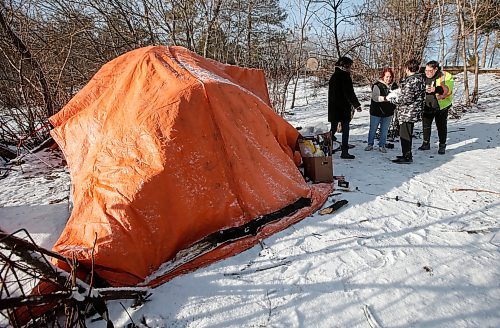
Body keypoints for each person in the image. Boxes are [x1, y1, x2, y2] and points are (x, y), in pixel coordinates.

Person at [389, 59, 425, 164]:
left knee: (405, 134)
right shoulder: (420, 79)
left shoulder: (411, 81)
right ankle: (406, 153)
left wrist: (393, 99)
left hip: (407, 112)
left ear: (407, 68)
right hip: (413, 111)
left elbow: (407, 99)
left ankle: (407, 156)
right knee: (406, 133)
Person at [328, 56, 362, 159]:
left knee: (333, 129)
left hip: (333, 107)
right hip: (343, 108)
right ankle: (344, 151)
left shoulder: (334, 76)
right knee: (345, 130)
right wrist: (357, 105)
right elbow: (349, 93)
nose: (350, 68)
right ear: (345, 66)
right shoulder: (345, 76)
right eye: (349, 66)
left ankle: (326, 148)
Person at [418, 60, 454, 154]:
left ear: (436, 69)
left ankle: (442, 145)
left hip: (441, 106)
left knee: (441, 127)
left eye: (430, 71)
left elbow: (448, 89)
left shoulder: (445, 76)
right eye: (426, 70)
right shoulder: (423, 76)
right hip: (426, 105)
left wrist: (436, 89)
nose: (427, 73)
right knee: (426, 126)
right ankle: (426, 143)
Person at [365, 68, 398, 153]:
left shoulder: (394, 86)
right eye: (387, 77)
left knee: (384, 130)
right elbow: (375, 97)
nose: (388, 79)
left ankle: (382, 145)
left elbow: (397, 96)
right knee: (373, 129)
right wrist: (385, 98)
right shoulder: (377, 85)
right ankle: (370, 144)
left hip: (388, 112)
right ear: (383, 76)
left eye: (390, 77)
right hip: (376, 111)